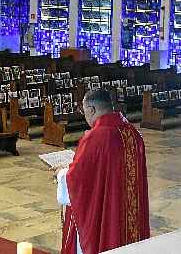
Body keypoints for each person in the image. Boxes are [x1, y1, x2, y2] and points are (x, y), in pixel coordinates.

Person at [56, 89, 150, 254]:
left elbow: (77, 179)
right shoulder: (133, 133)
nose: (86, 118)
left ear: (91, 110)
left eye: (85, 113)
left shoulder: (97, 136)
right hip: (129, 209)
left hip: (107, 213)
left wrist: (61, 174)